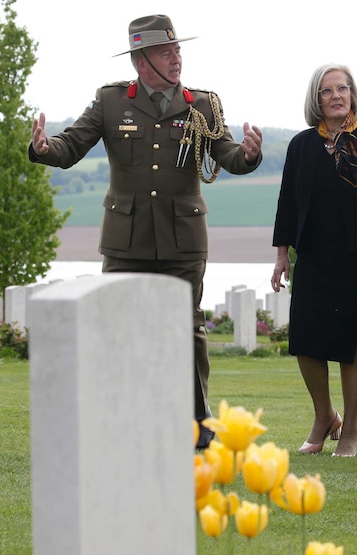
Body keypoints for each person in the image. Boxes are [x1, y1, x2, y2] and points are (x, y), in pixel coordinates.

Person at [29, 15, 263, 449]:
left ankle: (197, 423)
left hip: (182, 238)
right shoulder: (111, 101)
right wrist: (44, 149)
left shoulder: (202, 104)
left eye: (177, 50)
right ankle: (121, 415)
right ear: (141, 61)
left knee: (186, 327)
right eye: (165, 52)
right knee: (118, 327)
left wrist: (248, 155)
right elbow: (72, 144)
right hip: (127, 238)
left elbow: (225, 151)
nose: (176, 58)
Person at [270, 64, 357, 457]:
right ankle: (324, 416)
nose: (337, 95)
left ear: (354, 95)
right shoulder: (301, 146)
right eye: (327, 91)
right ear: (316, 99)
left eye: (343, 88)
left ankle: (351, 431)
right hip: (314, 257)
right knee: (306, 342)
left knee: (354, 346)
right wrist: (280, 255)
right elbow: (287, 202)